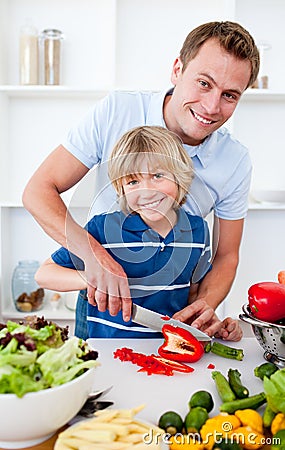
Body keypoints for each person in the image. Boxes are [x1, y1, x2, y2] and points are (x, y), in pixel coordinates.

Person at [23, 21, 259, 338]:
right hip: (102, 306)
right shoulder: (117, 111)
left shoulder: (235, 160)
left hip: (170, 315)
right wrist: (96, 263)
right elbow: (38, 192)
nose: (211, 107)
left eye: (230, 95)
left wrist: (202, 310)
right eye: (203, 83)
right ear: (178, 69)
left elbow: (226, 256)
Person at [35, 126, 242, 341]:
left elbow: (193, 297)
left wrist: (211, 324)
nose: (146, 190)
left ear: (180, 177)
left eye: (158, 175)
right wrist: (93, 279)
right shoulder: (102, 229)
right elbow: (45, 274)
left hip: (168, 353)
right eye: (133, 181)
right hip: (108, 352)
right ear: (121, 189)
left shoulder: (198, 231)